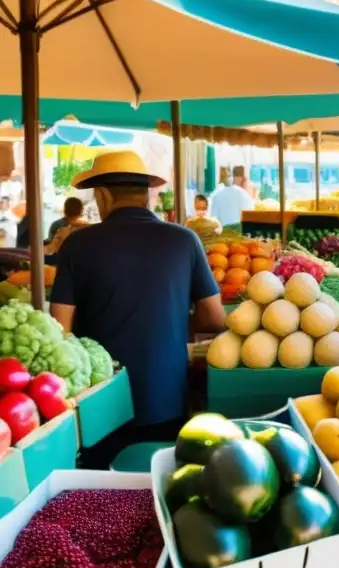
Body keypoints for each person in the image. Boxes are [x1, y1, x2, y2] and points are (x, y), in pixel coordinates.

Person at [49, 150, 226, 462]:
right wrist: (172, 326)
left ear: (102, 196)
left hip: (100, 404)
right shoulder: (185, 240)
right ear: (148, 195)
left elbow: (59, 330)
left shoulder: (77, 245)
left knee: (103, 495)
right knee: (157, 482)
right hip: (167, 397)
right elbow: (214, 319)